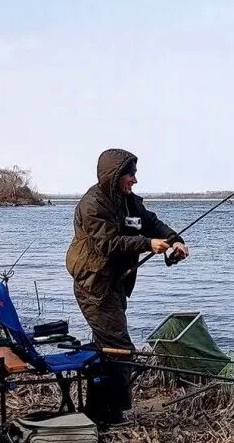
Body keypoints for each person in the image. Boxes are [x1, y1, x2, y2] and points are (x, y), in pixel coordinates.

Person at [65, 148, 189, 422]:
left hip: (115, 284)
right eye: (130, 174)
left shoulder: (127, 200)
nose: (134, 179)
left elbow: (150, 222)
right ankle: (112, 414)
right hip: (94, 287)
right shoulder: (92, 204)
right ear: (114, 175)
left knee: (106, 349)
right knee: (120, 349)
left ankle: (99, 411)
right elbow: (108, 243)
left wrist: (173, 239)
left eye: (134, 173)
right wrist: (147, 244)